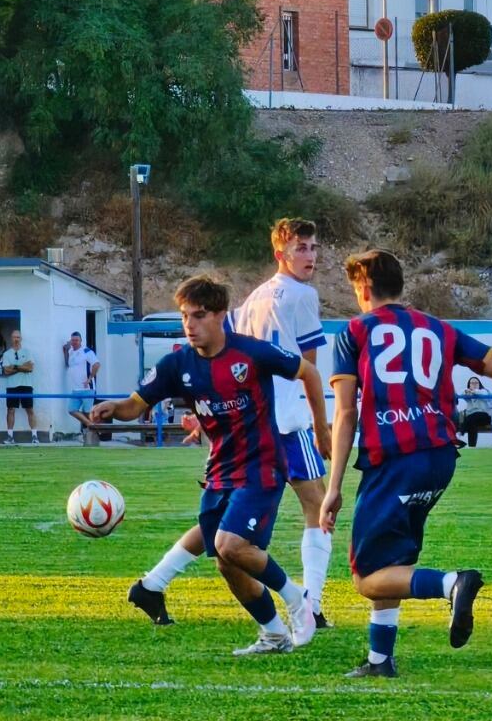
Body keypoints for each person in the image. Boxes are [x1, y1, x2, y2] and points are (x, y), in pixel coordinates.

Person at [321, 248, 492, 678]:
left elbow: (345, 413)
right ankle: (381, 660)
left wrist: (333, 487)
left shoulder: (355, 332)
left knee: (367, 577)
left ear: (362, 288)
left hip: (395, 459)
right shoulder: (440, 330)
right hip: (440, 458)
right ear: (400, 285)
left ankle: (451, 583)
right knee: (392, 562)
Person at [93, 274, 328, 655]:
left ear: (221, 315)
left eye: (199, 316)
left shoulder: (251, 352)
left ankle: (297, 599)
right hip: (220, 470)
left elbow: (309, 371)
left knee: (230, 544)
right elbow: (136, 404)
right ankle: (273, 634)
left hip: (262, 465)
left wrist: (321, 428)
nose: (190, 324)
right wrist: (113, 409)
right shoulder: (176, 364)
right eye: (185, 316)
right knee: (225, 563)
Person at [130, 219, 335, 629]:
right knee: (318, 505)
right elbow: (307, 365)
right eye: (301, 248)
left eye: (313, 248)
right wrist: (321, 424)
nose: (310, 256)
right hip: (285, 421)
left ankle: (154, 581)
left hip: (243, 424)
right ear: (280, 252)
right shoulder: (302, 296)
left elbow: (222, 366)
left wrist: (211, 419)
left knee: (225, 521)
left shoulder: (253, 299)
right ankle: (309, 604)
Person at [1, 330, 38, 444]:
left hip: (26, 385)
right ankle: (10, 436)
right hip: (12, 385)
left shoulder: (27, 352)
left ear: (21, 339)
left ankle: (34, 436)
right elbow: (6, 371)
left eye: (18, 337)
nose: (16, 339)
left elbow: (30, 368)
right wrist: (22, 367)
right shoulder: (7, 354)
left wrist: (15, 366)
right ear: (11, 339)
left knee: (30, 409)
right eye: (14, 337)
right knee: (10, 409)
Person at [62, 331, 100, 435]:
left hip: (87, 388)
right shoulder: (70, 352)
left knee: (87, 412)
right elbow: (67, 364)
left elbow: (96, 364)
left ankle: (92, 433)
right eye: (73, 340)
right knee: (72, 409)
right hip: (75, 389)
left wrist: (90, 378)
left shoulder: (86, 351)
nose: (74, 342)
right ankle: (91, 426)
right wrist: (65, 350)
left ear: (81, 341)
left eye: (76, 340)